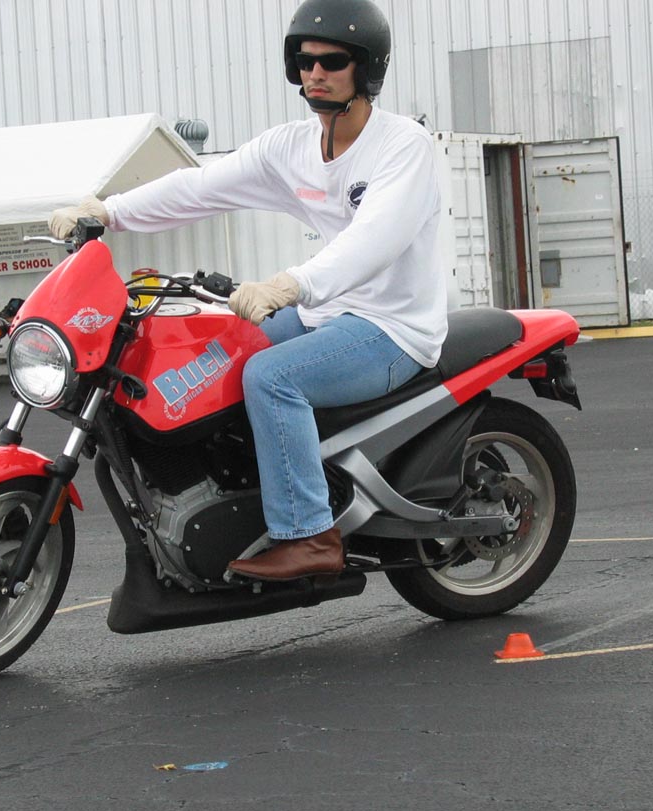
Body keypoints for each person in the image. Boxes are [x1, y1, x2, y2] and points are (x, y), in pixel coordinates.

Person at [49, 0, 447, 582]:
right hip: (328, 313)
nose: (315, 73)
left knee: (270, 376)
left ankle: (309, 535)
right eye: (304, 61)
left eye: (332, 61)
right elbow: (200, 187)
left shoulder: (402, 145)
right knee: (221, 349)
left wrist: (292, 284)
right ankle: (241, 497)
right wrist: (108, 212)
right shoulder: (291, 147)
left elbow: (375, 240)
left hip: (392, 327)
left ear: (366, 69)